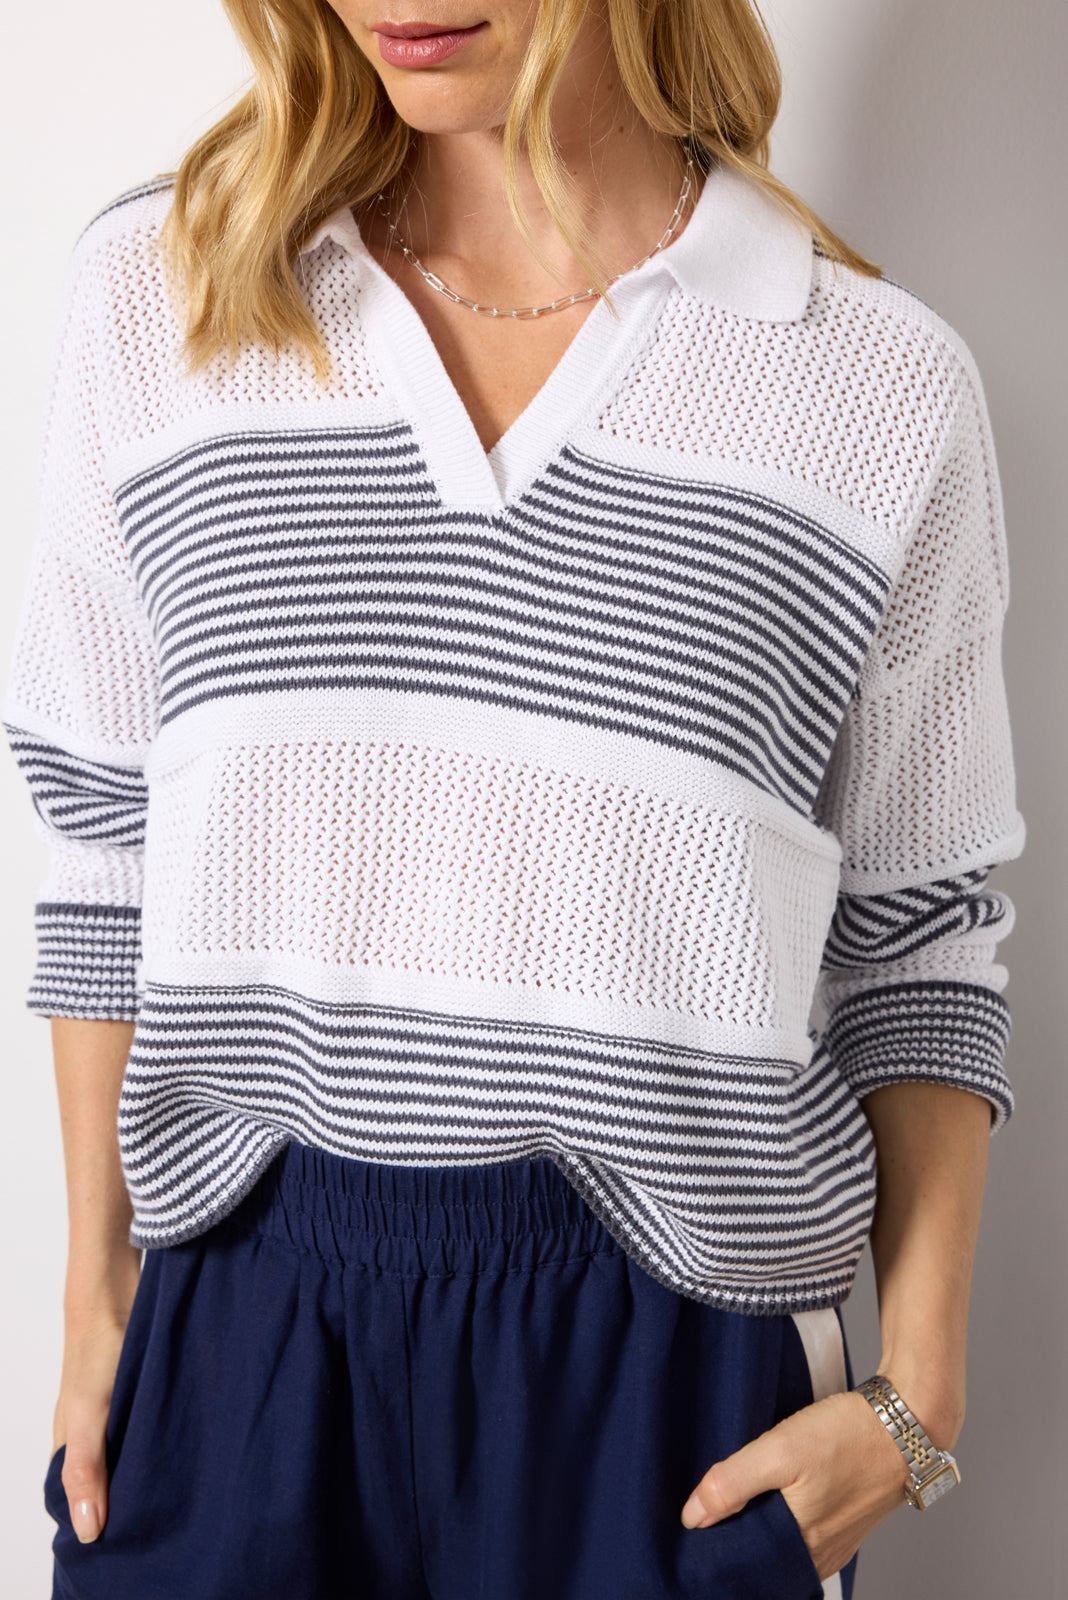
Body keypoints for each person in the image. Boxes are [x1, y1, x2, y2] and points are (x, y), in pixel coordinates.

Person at [3, 1, 1026, 1596]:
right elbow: (100, 836)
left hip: (669, 1383)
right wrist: (94, 1300)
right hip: (240, 1338)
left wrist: (923, 1393)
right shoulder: (170, 289)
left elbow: (923, 929)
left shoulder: (879, 388)